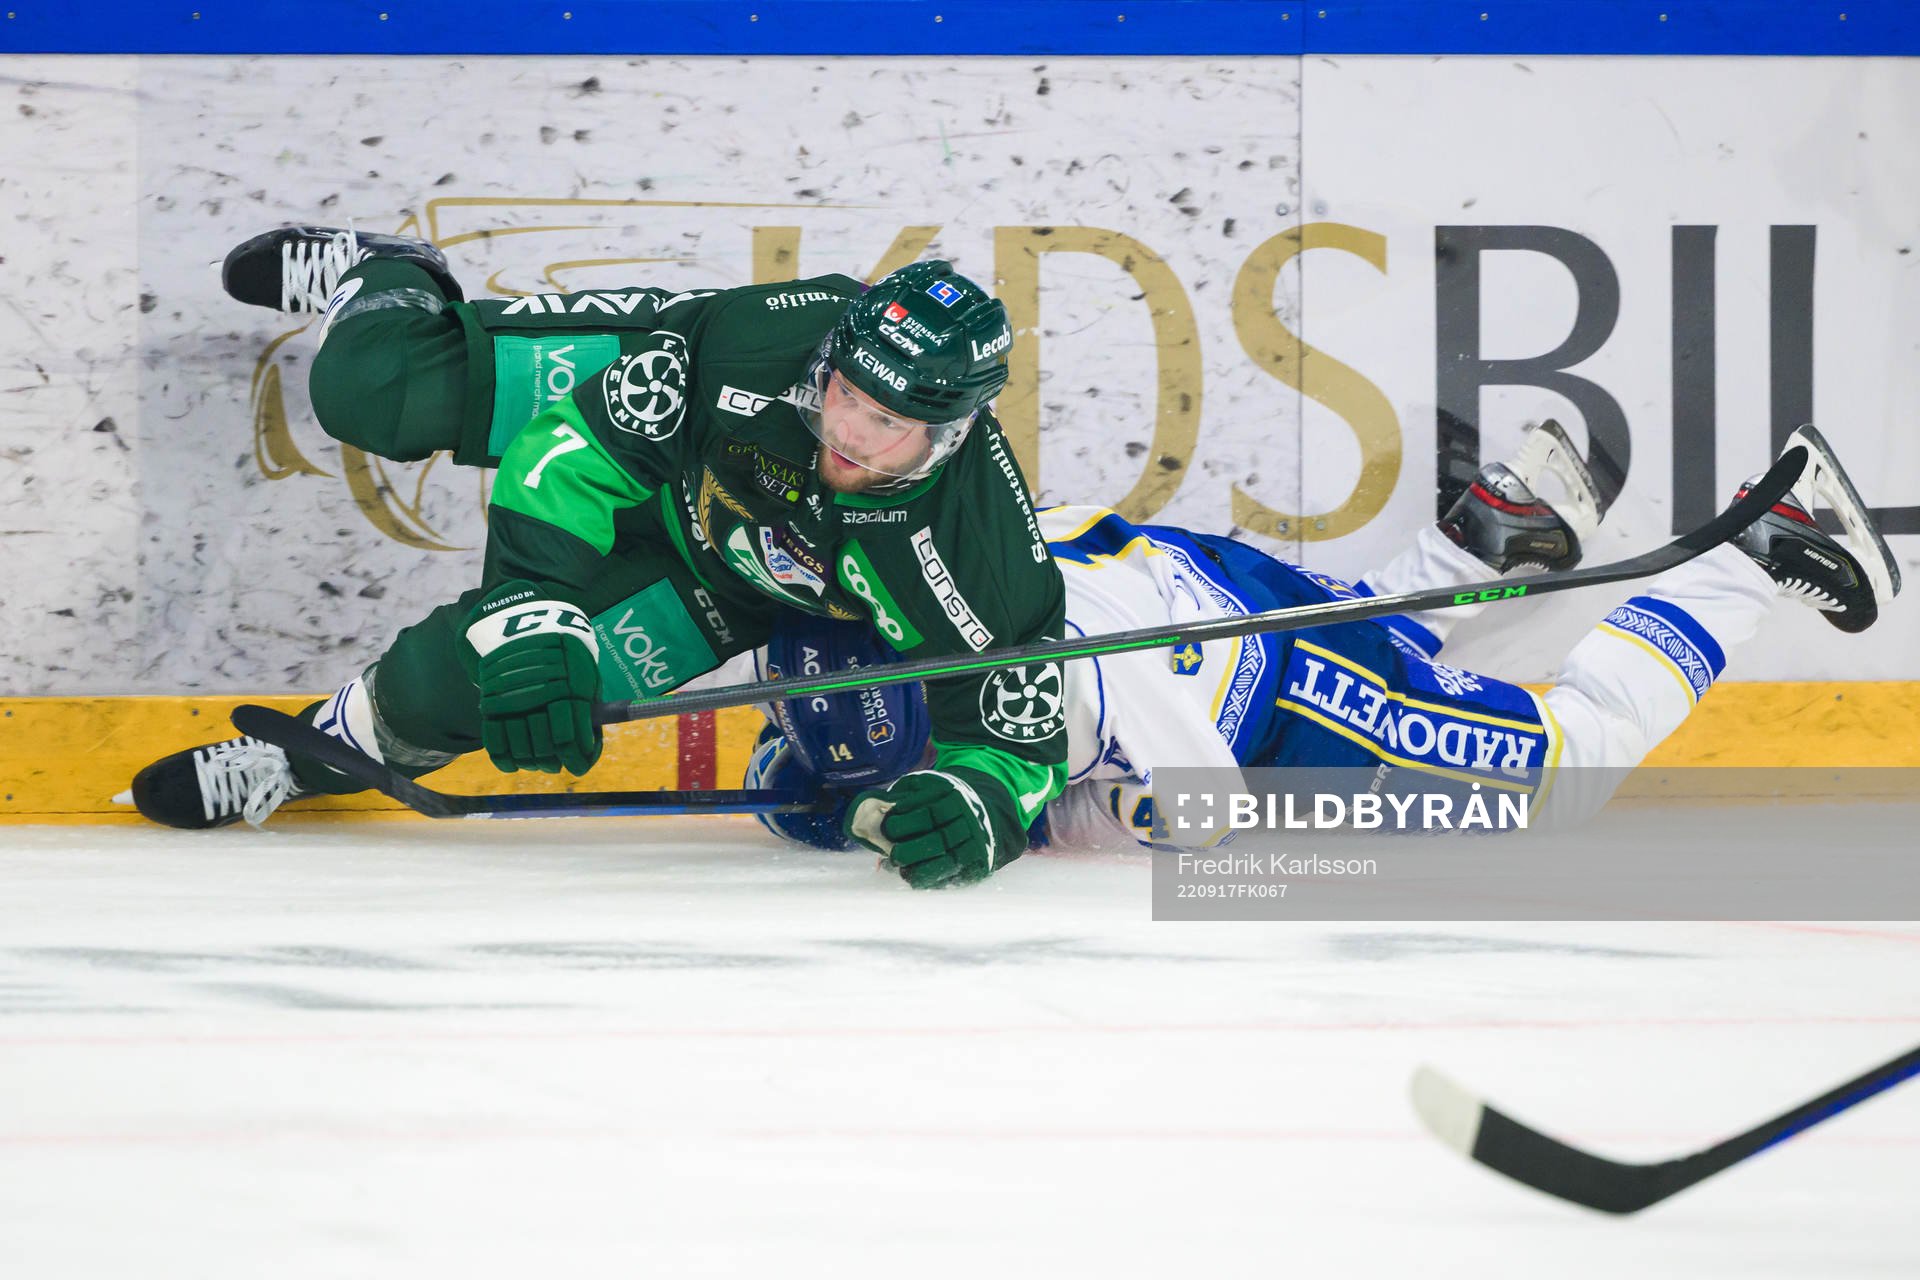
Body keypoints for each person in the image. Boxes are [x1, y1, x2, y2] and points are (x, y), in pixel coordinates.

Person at [128, 227, 1067, 888]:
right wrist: (536, 608)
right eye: (847, 396)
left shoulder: (976, 540)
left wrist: (975, 803)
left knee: (482, 687)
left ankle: (302, 760)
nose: (852, 433)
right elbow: (561, 461)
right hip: (657, 410)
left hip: (723, 576)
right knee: (375, 388)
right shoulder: (745, 349)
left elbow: (1015, 739)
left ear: (950, 432)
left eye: (891, 424)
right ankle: (388, 271)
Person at [744, 423, 1901, 852]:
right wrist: (844, 796)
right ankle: (1497, 538)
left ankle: (1762, 541)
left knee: (1561, 776)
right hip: (1191, 581)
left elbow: (1198, 812)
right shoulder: (878, 592)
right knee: (1369, 624)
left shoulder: (1067, 682)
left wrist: (1028, 821)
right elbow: (792, 757)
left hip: (1263, 695)